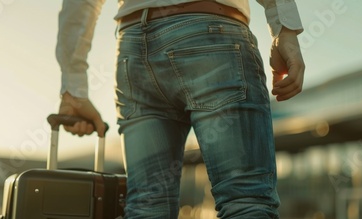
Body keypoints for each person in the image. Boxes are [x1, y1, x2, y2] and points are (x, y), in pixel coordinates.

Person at [57, 0, 305, 218]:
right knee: (246, 203)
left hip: (132, 51)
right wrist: (284, 29)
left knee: (146, 208)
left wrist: (73, 86)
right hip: (211, 33)